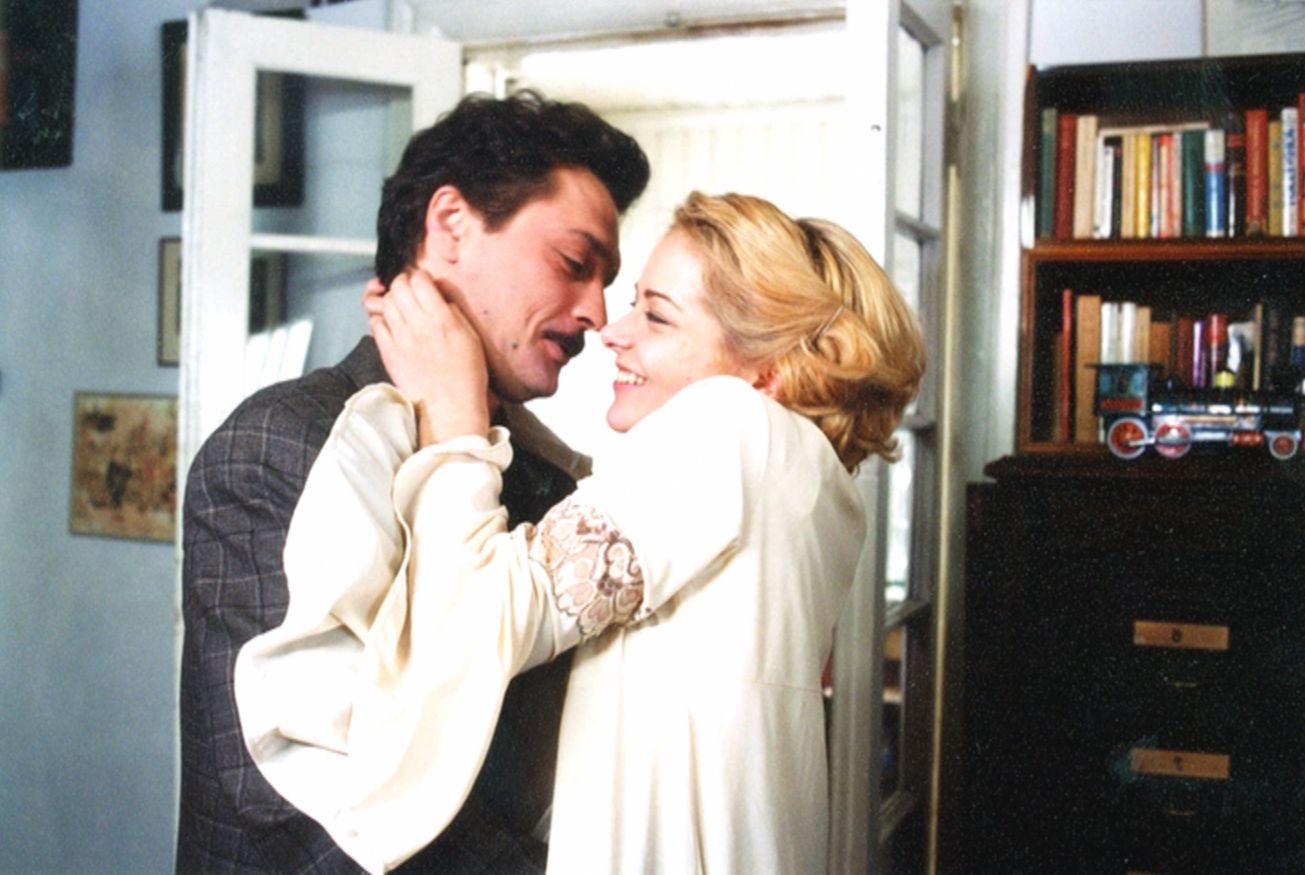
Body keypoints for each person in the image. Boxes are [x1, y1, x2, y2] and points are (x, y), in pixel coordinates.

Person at [234, 192, 926, 873]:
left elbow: (481, 621)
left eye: (657, 315)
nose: (613, 331)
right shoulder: (815, 485)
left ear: (766, 373)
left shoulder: (731, 423)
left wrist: (455, 414)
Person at [175, 89, 650, 874]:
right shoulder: (277, 445)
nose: (597, 312)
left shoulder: (546, 481)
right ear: (451, 225)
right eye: (574, 264)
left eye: (606, 280)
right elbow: (300, 814)